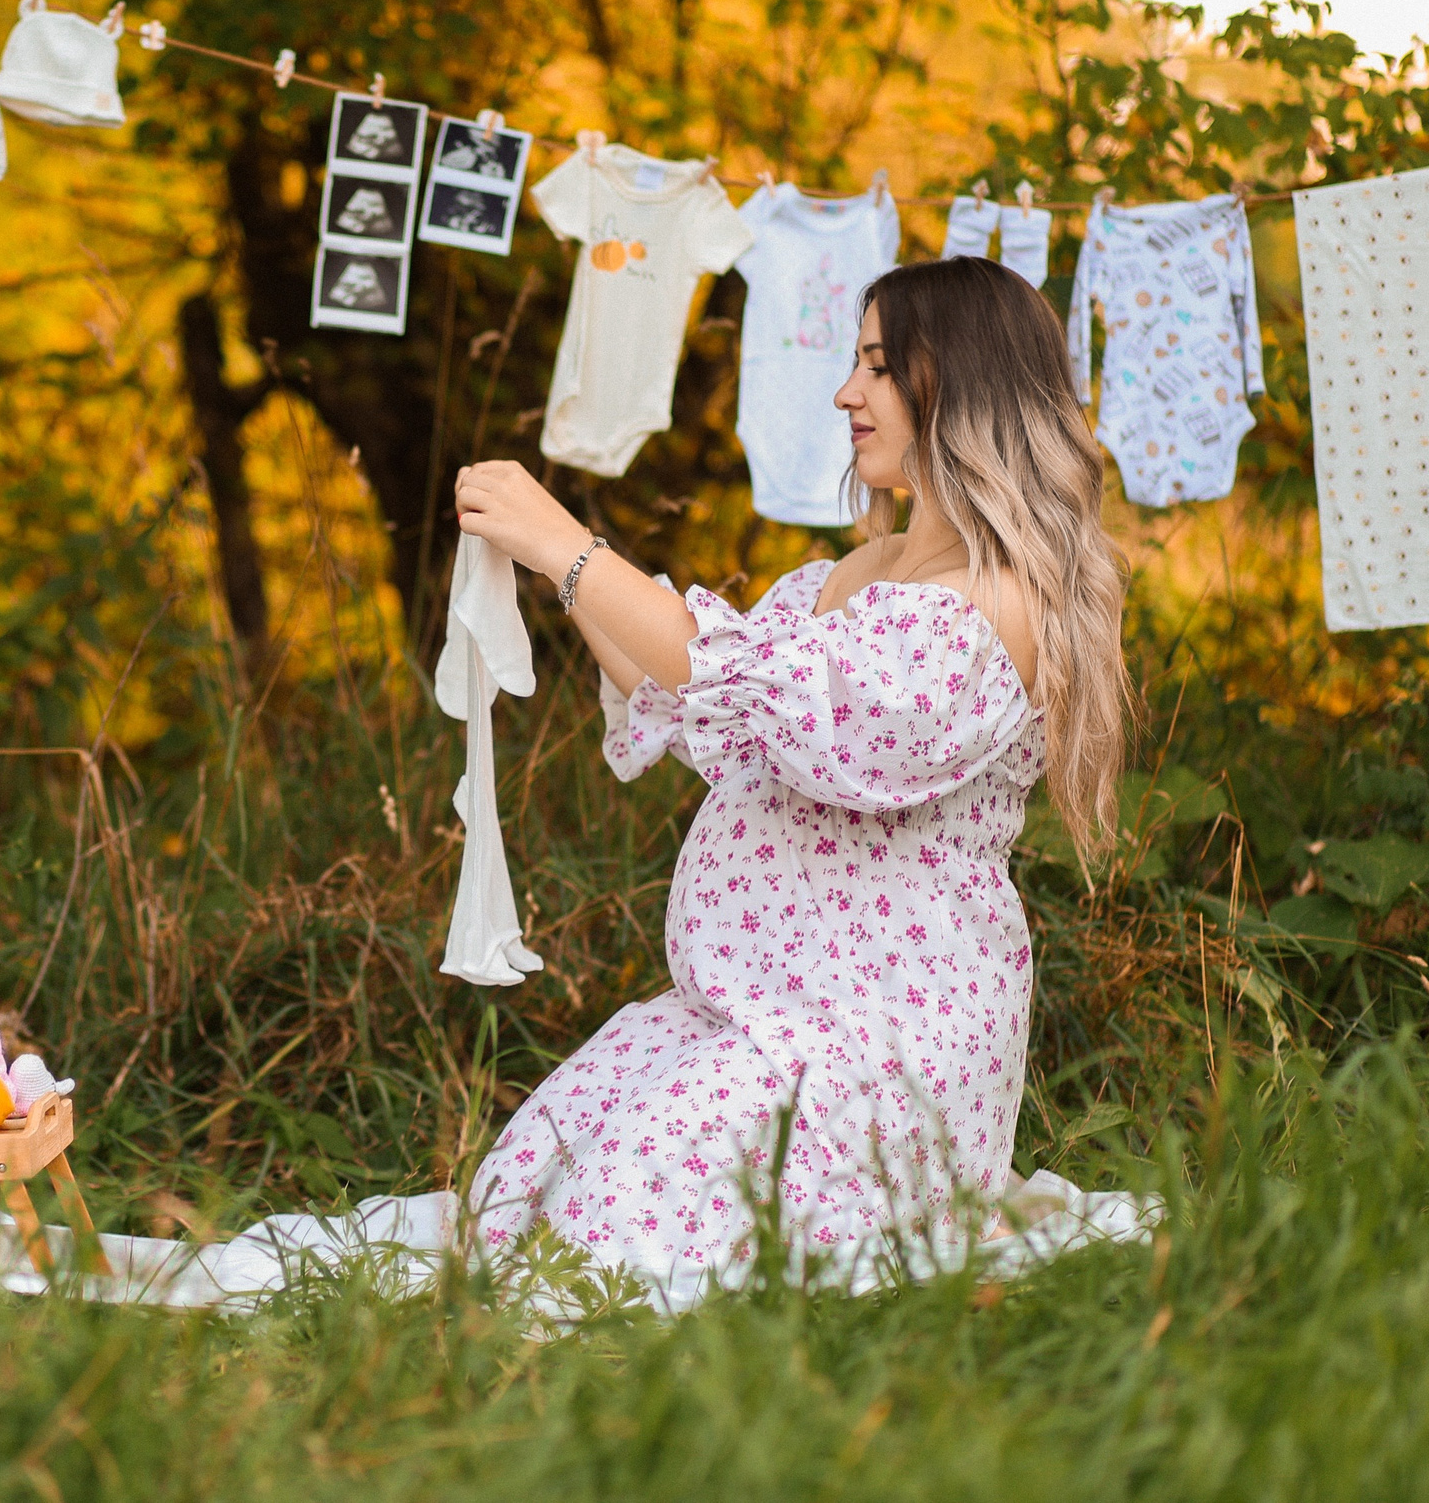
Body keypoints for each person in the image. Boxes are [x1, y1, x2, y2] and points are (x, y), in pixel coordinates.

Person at [453, 254, 1130, 1294]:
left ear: (952, 384)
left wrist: (572, 544)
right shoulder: (857, 575)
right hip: (748, 1010)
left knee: (600, 1257)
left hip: (876, 1037)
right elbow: (692, 690)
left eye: (875, 366)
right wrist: (553, 566)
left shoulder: (992, 608)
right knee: (514, 1212)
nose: (845, 394)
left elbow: (772, 696)